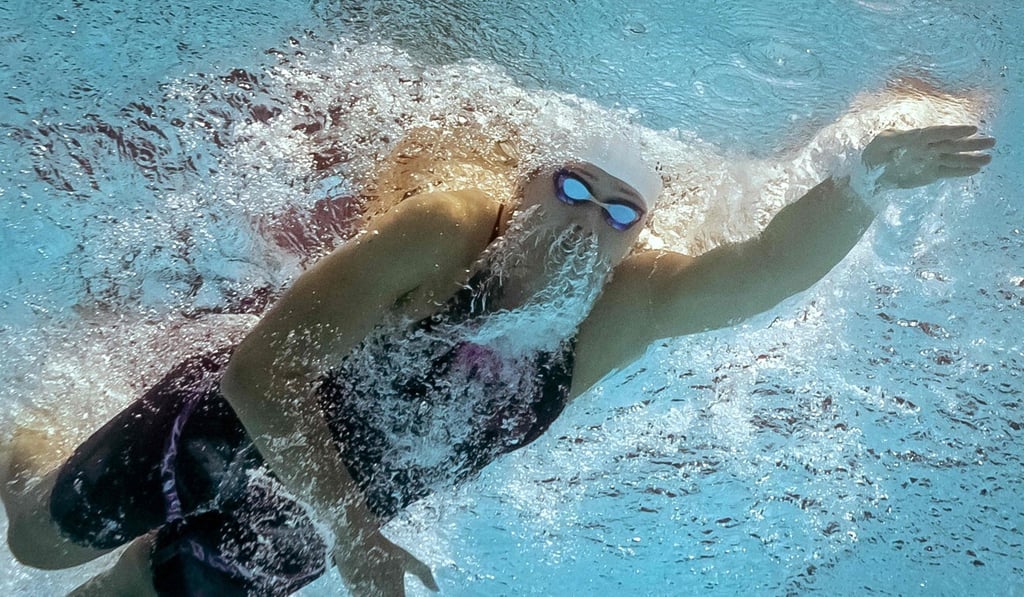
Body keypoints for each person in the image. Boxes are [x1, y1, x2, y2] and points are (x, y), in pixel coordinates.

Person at [1, 121, 994, 596]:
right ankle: (22, 455)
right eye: (570, 186)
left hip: (322, 518)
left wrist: (865, 181)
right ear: (523, 187)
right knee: (36, 545)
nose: (584, 219)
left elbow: (761, 271)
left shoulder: (620, 308)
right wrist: (352, 539)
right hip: (229, 429)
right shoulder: (448, 230)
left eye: (616, 212)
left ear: (631, 239)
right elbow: (262, 378)